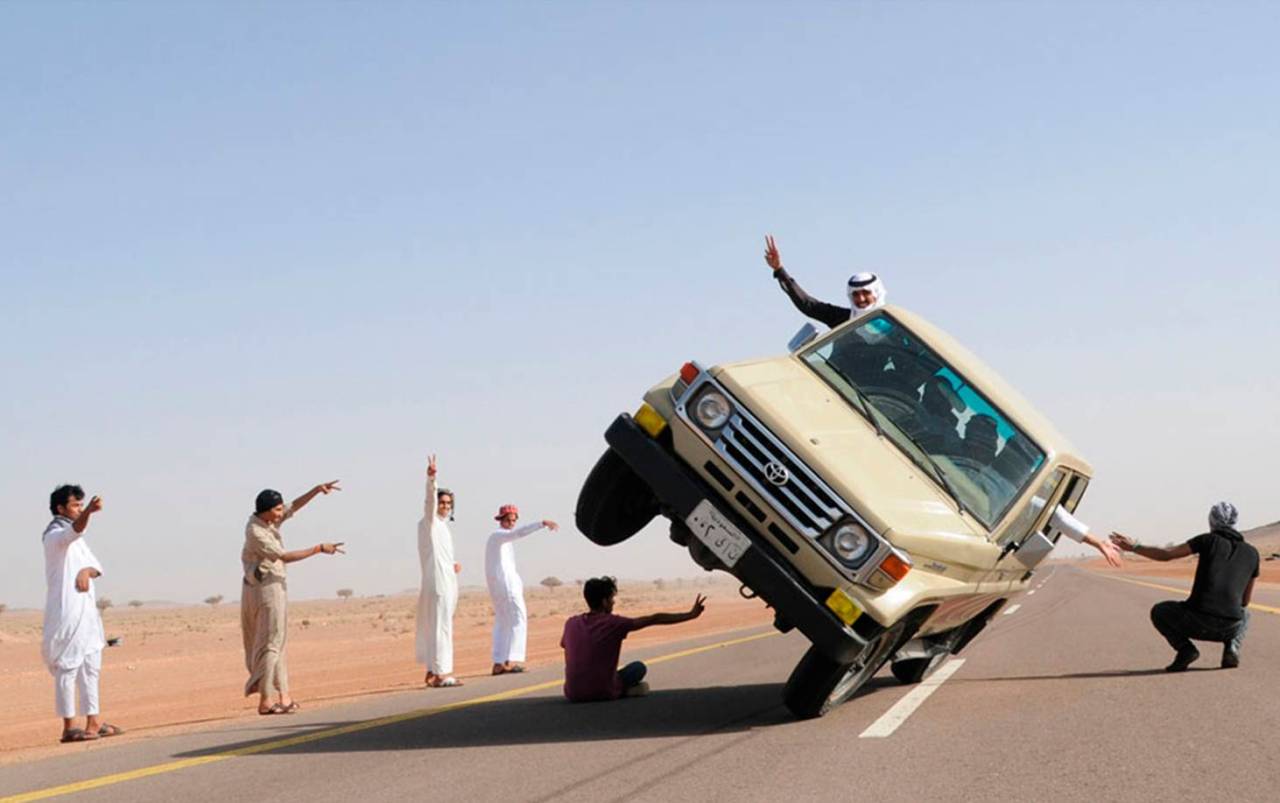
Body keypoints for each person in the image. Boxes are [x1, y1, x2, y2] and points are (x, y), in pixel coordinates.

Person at [1111, 502, 1258, 672]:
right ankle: (1232, 648)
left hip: (1196, 623)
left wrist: (1134, 547)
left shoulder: (1207, 540)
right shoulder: (1253, 553)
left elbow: (1167, 555)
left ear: (1211, 521)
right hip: (1229, 628)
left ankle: (1186, 650)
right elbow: (1245, 601)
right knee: (1245, 613)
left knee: (1160, 611)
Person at [241, 481, 345, 715]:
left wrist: (317, 490)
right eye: (277, 510)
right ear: (266, 510)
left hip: (274, 585)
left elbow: (293, 507)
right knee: (271, 644)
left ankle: (284, 696)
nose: (281, 513)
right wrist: (318, 549)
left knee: (278, 642)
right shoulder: (256, 532)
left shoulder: (268, 521)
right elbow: (284, 557)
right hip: (265, 588)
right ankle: (266, 700)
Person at [42, 484, 124, 743]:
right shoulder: (54, 536)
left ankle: (93, 721)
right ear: (60, 508)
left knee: (91, 667)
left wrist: (86, 571)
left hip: (87, 614)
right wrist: (89, 511)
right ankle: (69, 726)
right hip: (67, 612)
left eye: (81, 504)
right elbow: (74, 531)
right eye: (76, 505)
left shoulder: (78, 542)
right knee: (68, 667)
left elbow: (97, 565)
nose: (79, 509)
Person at [561, 577, 706, 702]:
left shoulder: (571, 623)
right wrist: (690, 615)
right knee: (638, 668)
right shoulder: (613, 623)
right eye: (611, 599)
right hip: (604, 691)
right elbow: (654, 619)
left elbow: (568, 647)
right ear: (604, 601)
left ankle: (614, 687)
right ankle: (622, 691)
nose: (613, 603)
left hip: (573, 694)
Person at [485, 504, 558, 675]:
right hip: (505, 586)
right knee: (518, 618)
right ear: (501, 520)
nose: (511, 523)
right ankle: (512, 659)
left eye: (513, 520)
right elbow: (517, 533)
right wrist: (541, 524)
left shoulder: (503, 540)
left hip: (503, 585)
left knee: (504, 622)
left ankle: (499, 662)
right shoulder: (498, 535)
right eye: (508, 520)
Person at [763, 233, 886, 329]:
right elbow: (808, 305)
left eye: (866, 293)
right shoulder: (844, 320)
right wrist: (779, 269)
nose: (861, 299)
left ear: (876, 293)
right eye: (856, 294)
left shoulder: (892, 325)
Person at [416, 455, 462, 687]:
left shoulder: (443, 527)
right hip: (438, 581)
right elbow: (429, 502)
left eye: (448, 504)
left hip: (446, 578)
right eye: (441, 503)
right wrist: (431, 479)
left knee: (440, 625)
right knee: (440, 626)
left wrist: (452, 565)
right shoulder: (429, 521)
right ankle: (441, 673)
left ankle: (433, 671)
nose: (444, 506)